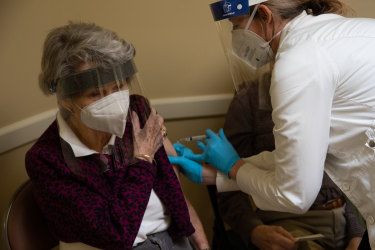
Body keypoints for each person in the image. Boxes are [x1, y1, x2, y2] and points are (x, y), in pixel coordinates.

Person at [168, 0, 375, 248]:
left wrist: (233, 167)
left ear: (264, 15)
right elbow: (298, 159)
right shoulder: (354, 32)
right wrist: (217, 175)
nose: (236, 37)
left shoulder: (299, 60)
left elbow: (295, 194)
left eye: (237, 25)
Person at [25, 22, 209, 250]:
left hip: (173, 238)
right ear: (64, 99)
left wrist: (201, 244)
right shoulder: (47, 159)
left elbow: (172, 191)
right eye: (95, 94)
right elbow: (116, 233)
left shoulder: (136, 111)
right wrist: (142, 158)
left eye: (119, 86)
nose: (114, 102)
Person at [217, 67, 364, 249]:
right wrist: (254, 230)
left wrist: (357, 234)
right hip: (288, 224)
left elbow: (356, 171)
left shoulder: (340, 90)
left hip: (346, 219)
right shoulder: (250, 98)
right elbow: (227, 182)